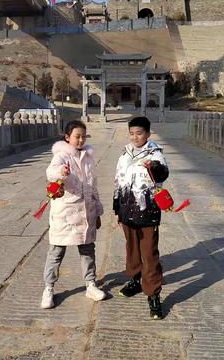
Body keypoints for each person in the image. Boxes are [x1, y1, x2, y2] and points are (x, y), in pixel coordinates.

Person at [41, 120, 106, 309]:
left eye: (83, 136)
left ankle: (90, 284)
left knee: (87, 250)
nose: (80, 140)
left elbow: (93, 185)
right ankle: (49, 288)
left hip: (86, 211)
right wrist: (60, 172)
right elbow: (51, 172)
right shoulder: (61, 156)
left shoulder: (88, 157)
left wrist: (97, 210)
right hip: (65, 214)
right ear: (67, 137)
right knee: (56, 252)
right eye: (77, 136)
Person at [113, 116, 169, 320]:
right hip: (127, 210)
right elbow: (118, 180)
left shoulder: (155, 154)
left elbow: (163, 174)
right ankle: (136, 280)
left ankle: (153, 294)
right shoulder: (124, 154)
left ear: (148, 134)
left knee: (149, 253)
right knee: (132, 249)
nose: (135, 137)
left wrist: (153, 167)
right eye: (131, 133)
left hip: (148, 211)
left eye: (139, 133)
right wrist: (116, 206)